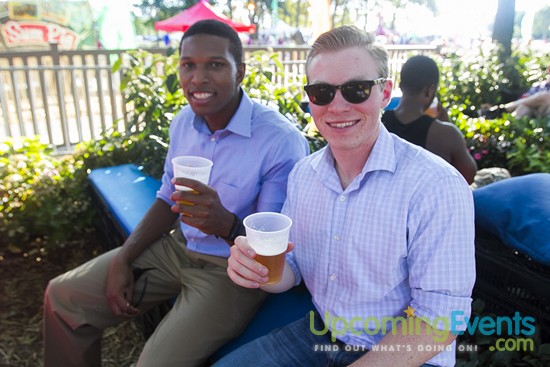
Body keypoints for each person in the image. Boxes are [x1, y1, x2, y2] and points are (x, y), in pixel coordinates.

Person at [42, 19, 309, 367]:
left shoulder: (279, 140)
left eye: (215, 65)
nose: (197, 78)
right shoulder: (184, 121)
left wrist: (227, 225)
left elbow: (271, 248)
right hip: (177, 248)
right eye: (188, 65)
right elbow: (168, 198)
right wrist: (124, 257)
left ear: (239, 71)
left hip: (232, 272)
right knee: (62, 297)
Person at [216, 26, 475, 367]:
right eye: (322, 92)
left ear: (384, 93)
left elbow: (441, 318)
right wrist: (260, 268)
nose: (337, 106)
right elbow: (290, 266)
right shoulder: (303, 175)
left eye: (356, 89)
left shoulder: (435, 185)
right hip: (321, 335)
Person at [382, 55, 477, 184]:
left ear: (400, 85)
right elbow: (468, 177)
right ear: (430, 90)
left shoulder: (378, 123)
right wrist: (447, 125)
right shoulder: (446, 134)